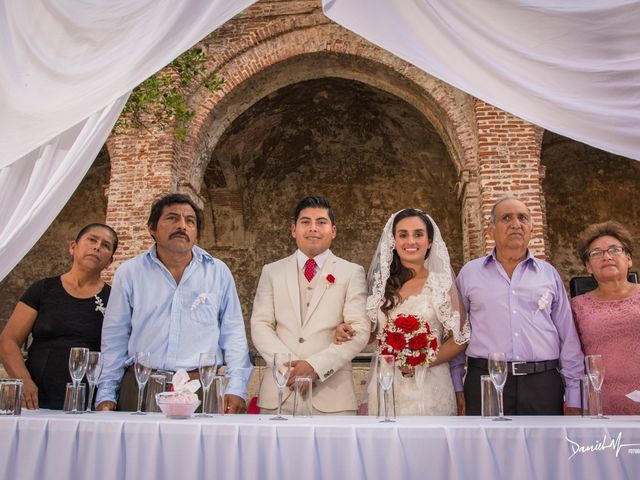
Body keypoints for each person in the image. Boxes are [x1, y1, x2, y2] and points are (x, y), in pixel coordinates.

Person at [95, 193, 252, 413]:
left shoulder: (218, 272)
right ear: (152, 228)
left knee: (201, 448)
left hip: (200, 387)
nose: (182, 225)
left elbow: (233, 333)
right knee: (137, 447)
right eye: (172, 218)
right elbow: (115, 338)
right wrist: (106, 393)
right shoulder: (130, 273)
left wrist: (236, 387)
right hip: (141, 385)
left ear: (196, 231)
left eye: (190, 221)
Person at [455, 195, 584, 415]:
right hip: (486, 381)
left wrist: (574, 395)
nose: (516, 224)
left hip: (542, 384)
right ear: (491, 230)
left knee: (545, 448)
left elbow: (568, 336)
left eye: (523, 218)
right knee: (486, 448)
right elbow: (457, 333)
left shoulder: (549, 274)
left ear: (531, 229)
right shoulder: (469, 274)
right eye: (506, 218)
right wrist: (457, 386)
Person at [342, 208, 469, 416]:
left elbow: (460, 338)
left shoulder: (441, 284)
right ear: (393, 242)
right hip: (386, 384)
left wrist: (421, 361)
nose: (411, 241)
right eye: (403, 235)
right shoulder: (381, 287)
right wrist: (346, 330)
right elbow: (371, 334)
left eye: (418, 234)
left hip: (430, 388)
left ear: (429, 241)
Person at [250, 196, 370, 415]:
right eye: (305, 222)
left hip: (332, 399)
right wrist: (289, 368)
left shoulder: (351, 272)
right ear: (294, 229)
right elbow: (260, 324)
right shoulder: (271, 271)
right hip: (278, 393)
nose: (313, 228)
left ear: (333, 230)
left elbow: (360, 329)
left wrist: (316, 366)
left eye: (321, 222)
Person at [0, 224, 118, 410]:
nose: (97, 247)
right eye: (92, 240)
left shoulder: (115, 300)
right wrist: (23, 381)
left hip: (85, 402)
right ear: (73, 247)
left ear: (110, 261)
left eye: (105, 245)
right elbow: (8, 340)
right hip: (34, 399)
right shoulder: (42, 289)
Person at [571, 221, 640, 415]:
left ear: (629, 259)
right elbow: (570, 358)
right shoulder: (576, 307)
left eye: (614, 250)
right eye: (597, 253)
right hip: (599, 407)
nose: (607, 256)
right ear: (588, 267)